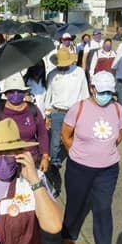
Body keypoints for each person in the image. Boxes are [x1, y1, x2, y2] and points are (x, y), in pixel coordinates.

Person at [60, 71, 122, 244]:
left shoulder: (117, 109)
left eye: (110, 92)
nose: (107, 95)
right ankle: (69, 233)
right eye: (102, 91)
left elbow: (119, 134)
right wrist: (80, 154)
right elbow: (65, 135)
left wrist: (103, 151)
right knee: (76, 203)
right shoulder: (78, 108)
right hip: (79, 168)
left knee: (103, 209)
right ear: (93, 88)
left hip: (108, 169)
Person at [44, 50, 90, 195]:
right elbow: (48, 95)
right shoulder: (52, 75)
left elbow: (85, 93)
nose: (61, 67)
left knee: (76, 140)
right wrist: (47, 114)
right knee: (56, 142)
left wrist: (85, 112)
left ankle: (78, 162)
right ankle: (54, 166)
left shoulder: (79, 73)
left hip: (75, 112)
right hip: (57, 112)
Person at [0, 74, 49, 171]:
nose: (15, 94)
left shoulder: (33, 109)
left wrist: (45, 156)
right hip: (5, 163)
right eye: (11, 92)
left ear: (24, 92)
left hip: (31, 159)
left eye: (19, 91)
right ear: (5, 94)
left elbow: (42, 134)